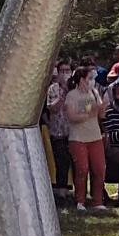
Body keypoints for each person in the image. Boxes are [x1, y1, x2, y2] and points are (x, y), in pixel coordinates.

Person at [65, 67, 106, 212]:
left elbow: (100, 114)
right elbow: (72, 116)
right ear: (82, 79)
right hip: (78, 138)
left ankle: (97, 200)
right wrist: (88, 112)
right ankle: (80, 200)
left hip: (95, 137)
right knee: (82, 169)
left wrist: (101, 108)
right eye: (89, 78)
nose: (91, 81)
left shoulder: (94, 92)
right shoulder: (72, 95)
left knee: (99, 169)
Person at [46, 60, 73, 202]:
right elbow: (52, 108)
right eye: (62, 70)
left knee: (76, 163)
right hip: (58, 132)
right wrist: (63, 94)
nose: (65, 73)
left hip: (74, 132)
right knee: (61, 162)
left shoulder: (76, 88)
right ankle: (61, 192)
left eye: (68, 70)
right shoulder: (52, 89)